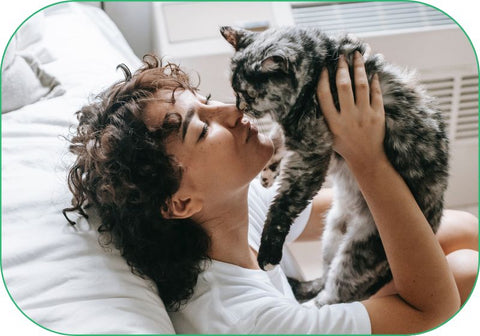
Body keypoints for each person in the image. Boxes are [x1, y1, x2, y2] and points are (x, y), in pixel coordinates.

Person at [64, 54, 478, 334]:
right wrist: (366, 158)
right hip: (290, 316)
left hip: (296, 297)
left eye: (206, 101)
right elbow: (430, 308)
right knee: (463, 271)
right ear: (182, 202)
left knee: (459, 228)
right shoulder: (249, 320)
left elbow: (361, 215)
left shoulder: (226, 213)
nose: (233, 111)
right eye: (203, 128)